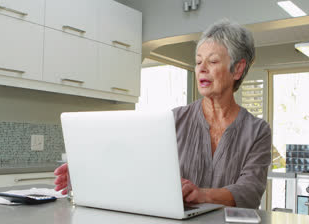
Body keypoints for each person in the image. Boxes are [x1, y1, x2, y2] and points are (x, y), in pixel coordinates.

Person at [54, 19, 272, 209]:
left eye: (213, 61)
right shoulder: (173, 120)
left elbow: (250, 191)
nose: (202, 69)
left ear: (238, 69)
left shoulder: (257, 131)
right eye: (198, 62)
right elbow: (133, 164)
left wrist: (203, 195)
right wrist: (88, 171)